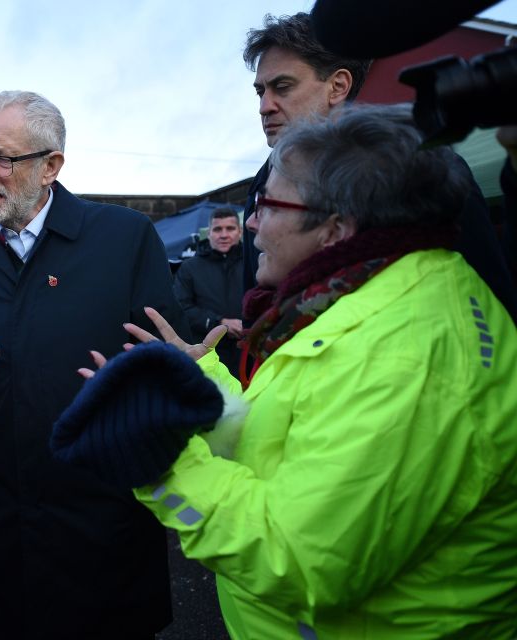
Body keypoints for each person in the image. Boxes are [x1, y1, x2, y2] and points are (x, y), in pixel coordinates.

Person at [55, 105, 517, 638]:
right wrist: (203, 376)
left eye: (268, 204)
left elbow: (300, 558)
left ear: (336, 227)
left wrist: (158, 459)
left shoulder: (407, 355)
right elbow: (286, 436)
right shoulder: (378, 299)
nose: (251, 221)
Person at [0, 90, 189, 638]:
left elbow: (165, 368)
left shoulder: (123, 238)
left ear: (51, 164)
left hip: (101, 528)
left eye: (0, 158)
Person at [240, 12, 517, 324]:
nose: (265, 106)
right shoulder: (259, 187)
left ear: (338, 86)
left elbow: (490, 299)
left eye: (283, 86)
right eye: (261, 91)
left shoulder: (415, 168)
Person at [173, 206, 244, 377]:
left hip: (248, 354)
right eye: (218, 229)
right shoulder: (189, 268)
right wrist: (219, 322)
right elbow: (181, 307)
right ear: (209, 232)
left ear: (240, 232)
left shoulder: (255, 263)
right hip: (207, 356)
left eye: (230, 228)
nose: (224, 234)